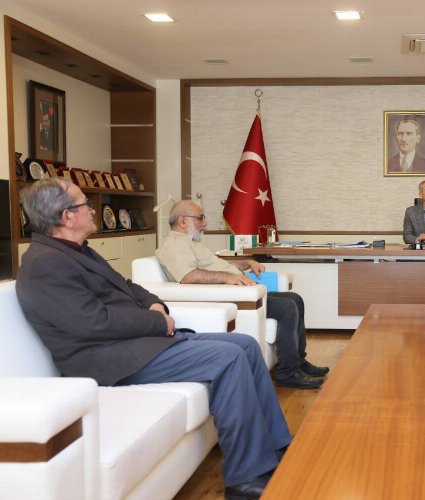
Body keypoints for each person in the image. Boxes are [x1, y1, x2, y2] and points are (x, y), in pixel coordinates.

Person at [16, 178, 289, 500]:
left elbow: (127, 286)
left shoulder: (78, 251)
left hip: (134, 345)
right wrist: (157, 322)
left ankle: (275, 446)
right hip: (108, 360)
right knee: (228, 357)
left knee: (244, 344)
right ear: (67, 217)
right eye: (85, 204)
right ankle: (245, 477)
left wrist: (154, 304)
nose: (93, 209)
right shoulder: (45, 264)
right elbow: (93, 323)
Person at [156, 201, 329, 390]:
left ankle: (298, 361)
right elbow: (188, 276)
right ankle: (288, 373)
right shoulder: (174, 245)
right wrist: (229, 278)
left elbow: (217, 264)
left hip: (237, 291)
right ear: (182, 221)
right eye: (201, 218)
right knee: (287, 307)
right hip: (227, 297)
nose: (205, 223)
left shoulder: (191, 242)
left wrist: (247, 263)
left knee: (295, 299)